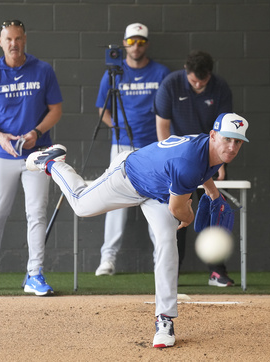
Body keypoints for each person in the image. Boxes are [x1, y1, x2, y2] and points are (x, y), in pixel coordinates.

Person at [26, 112, 249, 347]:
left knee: (166, 241)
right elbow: (177, 207)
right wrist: (189, 215)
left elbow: (204, 169)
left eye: (238, 141)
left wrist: (213, 193)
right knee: (81, 205)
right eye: (227, 139)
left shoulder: (209, 147)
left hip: (158, 191)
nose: (232, 147)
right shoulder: (190, 162)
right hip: (128, 177)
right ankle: (52, 162)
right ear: (213, 136)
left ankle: (164, 319)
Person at [0, 20, 63, 295]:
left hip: (36, 154)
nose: (14, 44)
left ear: (25, 39)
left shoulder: (43, 70)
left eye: (19, 38)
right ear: (1, 41)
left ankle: (35, 274)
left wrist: (37, 132)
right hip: (3, 154)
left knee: (36, 212)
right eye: (9, 39)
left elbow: (56, 110)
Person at [95, 23, 170, 276]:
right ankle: (108, 260)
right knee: (115, 202)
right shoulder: (114, 73)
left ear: (146, 44)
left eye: (140, 41)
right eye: (130, 42)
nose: (135, 46)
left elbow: (168, 110)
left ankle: (162, 257)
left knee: (159, 200)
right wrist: (117, 127)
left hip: (153, 145)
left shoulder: (161, 73)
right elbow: (102, 110)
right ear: (124, 43)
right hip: (121, 145)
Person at [154, 50, 234, 287]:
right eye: (193, 80)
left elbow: (226, 132)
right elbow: (162, 126)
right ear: (186, 72)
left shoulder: (220, 88)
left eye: (203, 80)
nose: (198, 84)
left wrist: (221, 163)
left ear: (210, 75)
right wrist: (167, 161)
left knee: (214, 211)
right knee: (176, 215)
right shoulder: (170, 85)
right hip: (180, 160)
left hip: (210, 157)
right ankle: (172, 273)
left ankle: (217, 272)